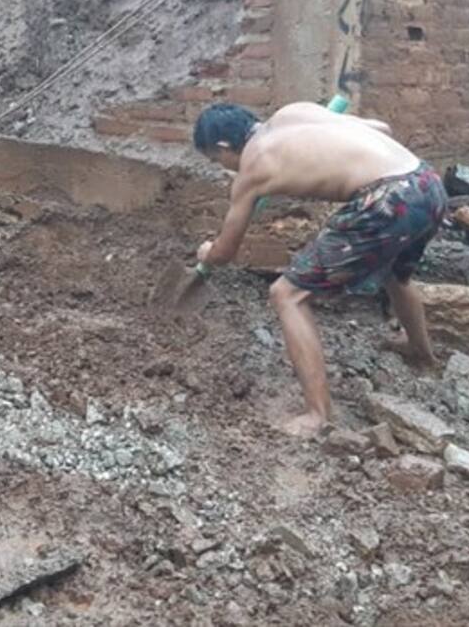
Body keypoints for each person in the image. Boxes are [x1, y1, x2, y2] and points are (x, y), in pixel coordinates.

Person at [191, 102, 447, 438]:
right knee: (396, 275)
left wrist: (207, 252)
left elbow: (225, 253)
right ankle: (422, 356)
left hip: (387, 201)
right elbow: (381, 127)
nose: (222, 167)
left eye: (215, 160)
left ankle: (317, 415)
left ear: (224, 147)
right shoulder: (292, 112)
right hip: (427, 183)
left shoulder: (253, 167)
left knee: (286, 294)